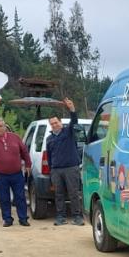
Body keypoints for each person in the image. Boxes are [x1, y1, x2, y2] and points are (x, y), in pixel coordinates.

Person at [0, 118, 32, 227]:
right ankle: (7, 219)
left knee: (20, 197)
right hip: (0, 175)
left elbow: (24, 152)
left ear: (5, 127)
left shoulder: (15, 138)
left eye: (1, 126)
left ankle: (23, 219)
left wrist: (28, 164)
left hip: (17, 174)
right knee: (4, 199)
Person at [46, 97, 85, 226]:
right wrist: (51, 172)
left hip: (71, 168)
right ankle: (60, 217)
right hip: (56, 171)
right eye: (52, 124)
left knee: (74, 193)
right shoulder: (49, 139)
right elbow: (50, 157)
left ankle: (77, 217)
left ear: (60, 122)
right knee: (59, 194)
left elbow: (74, 121)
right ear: (50, 125)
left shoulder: (68, 132)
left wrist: (71, 109)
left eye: (56, 122)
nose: (54, 125)